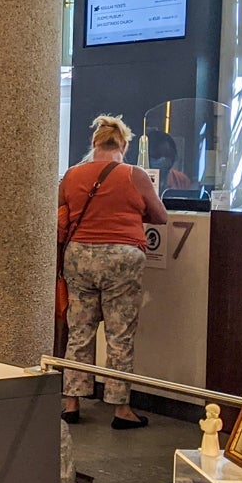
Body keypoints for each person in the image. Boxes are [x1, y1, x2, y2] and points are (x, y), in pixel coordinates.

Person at [58, 114, 168, 428]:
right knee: (119, 335)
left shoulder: (71, 175)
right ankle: (121, 410)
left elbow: (60, 209)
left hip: (79, 256)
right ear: (124, 144)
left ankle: (71, 403)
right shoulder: (134, 174)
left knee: (79, 330)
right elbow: (159, 216)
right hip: (122, 258)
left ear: (94, 143)